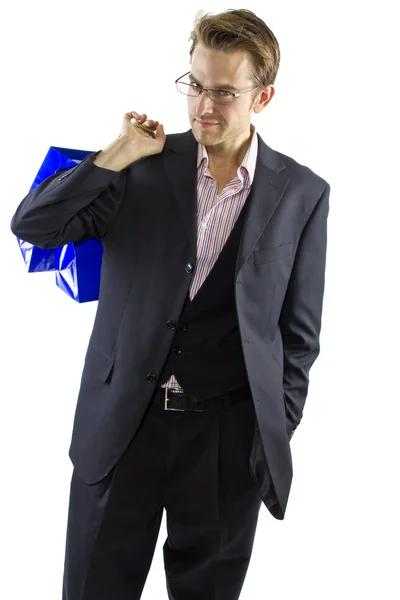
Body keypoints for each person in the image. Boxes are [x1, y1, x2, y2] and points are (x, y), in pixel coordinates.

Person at [10, 8, 330, 600]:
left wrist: (267, 431)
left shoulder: (303, 193)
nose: (203, 106)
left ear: (263, 97)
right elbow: (32, 224)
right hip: (122, 430)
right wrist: (113, 154)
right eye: (195, 85)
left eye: (224, 93)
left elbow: (299, 334)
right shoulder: (141, 166)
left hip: (224, 443)